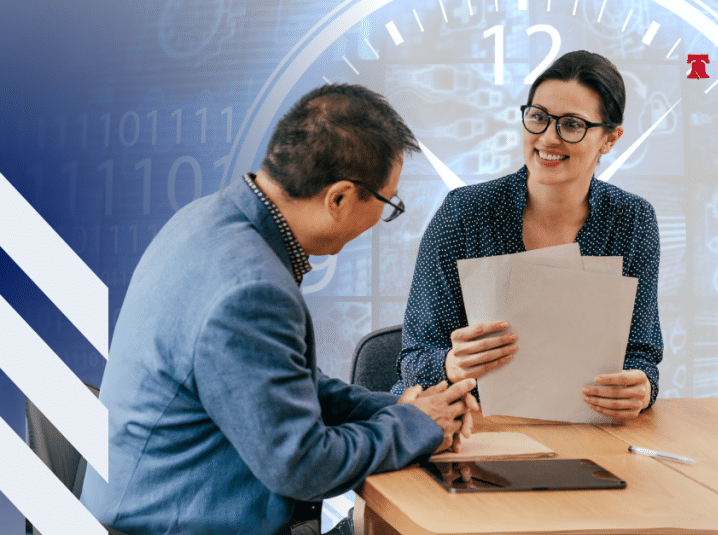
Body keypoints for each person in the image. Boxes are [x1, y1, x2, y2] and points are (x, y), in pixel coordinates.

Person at [80, 84, 477, 535]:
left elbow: (284, 384)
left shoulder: (208, 221)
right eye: (389, 203)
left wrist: (406, 408)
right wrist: (414, 424)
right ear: (340, 198)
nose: (383, 219)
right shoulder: (249, 291)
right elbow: (304, 465)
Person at [392, 50, 663, 420]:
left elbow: (641, 354)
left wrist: (642, 387)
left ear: (609, 140)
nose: (548, 138)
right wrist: (450, 364)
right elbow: (413, 359)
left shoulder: (632, 221)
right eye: (538, 118)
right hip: (466, 425)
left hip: (583, 427)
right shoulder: (464, 213)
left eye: (571, 125)